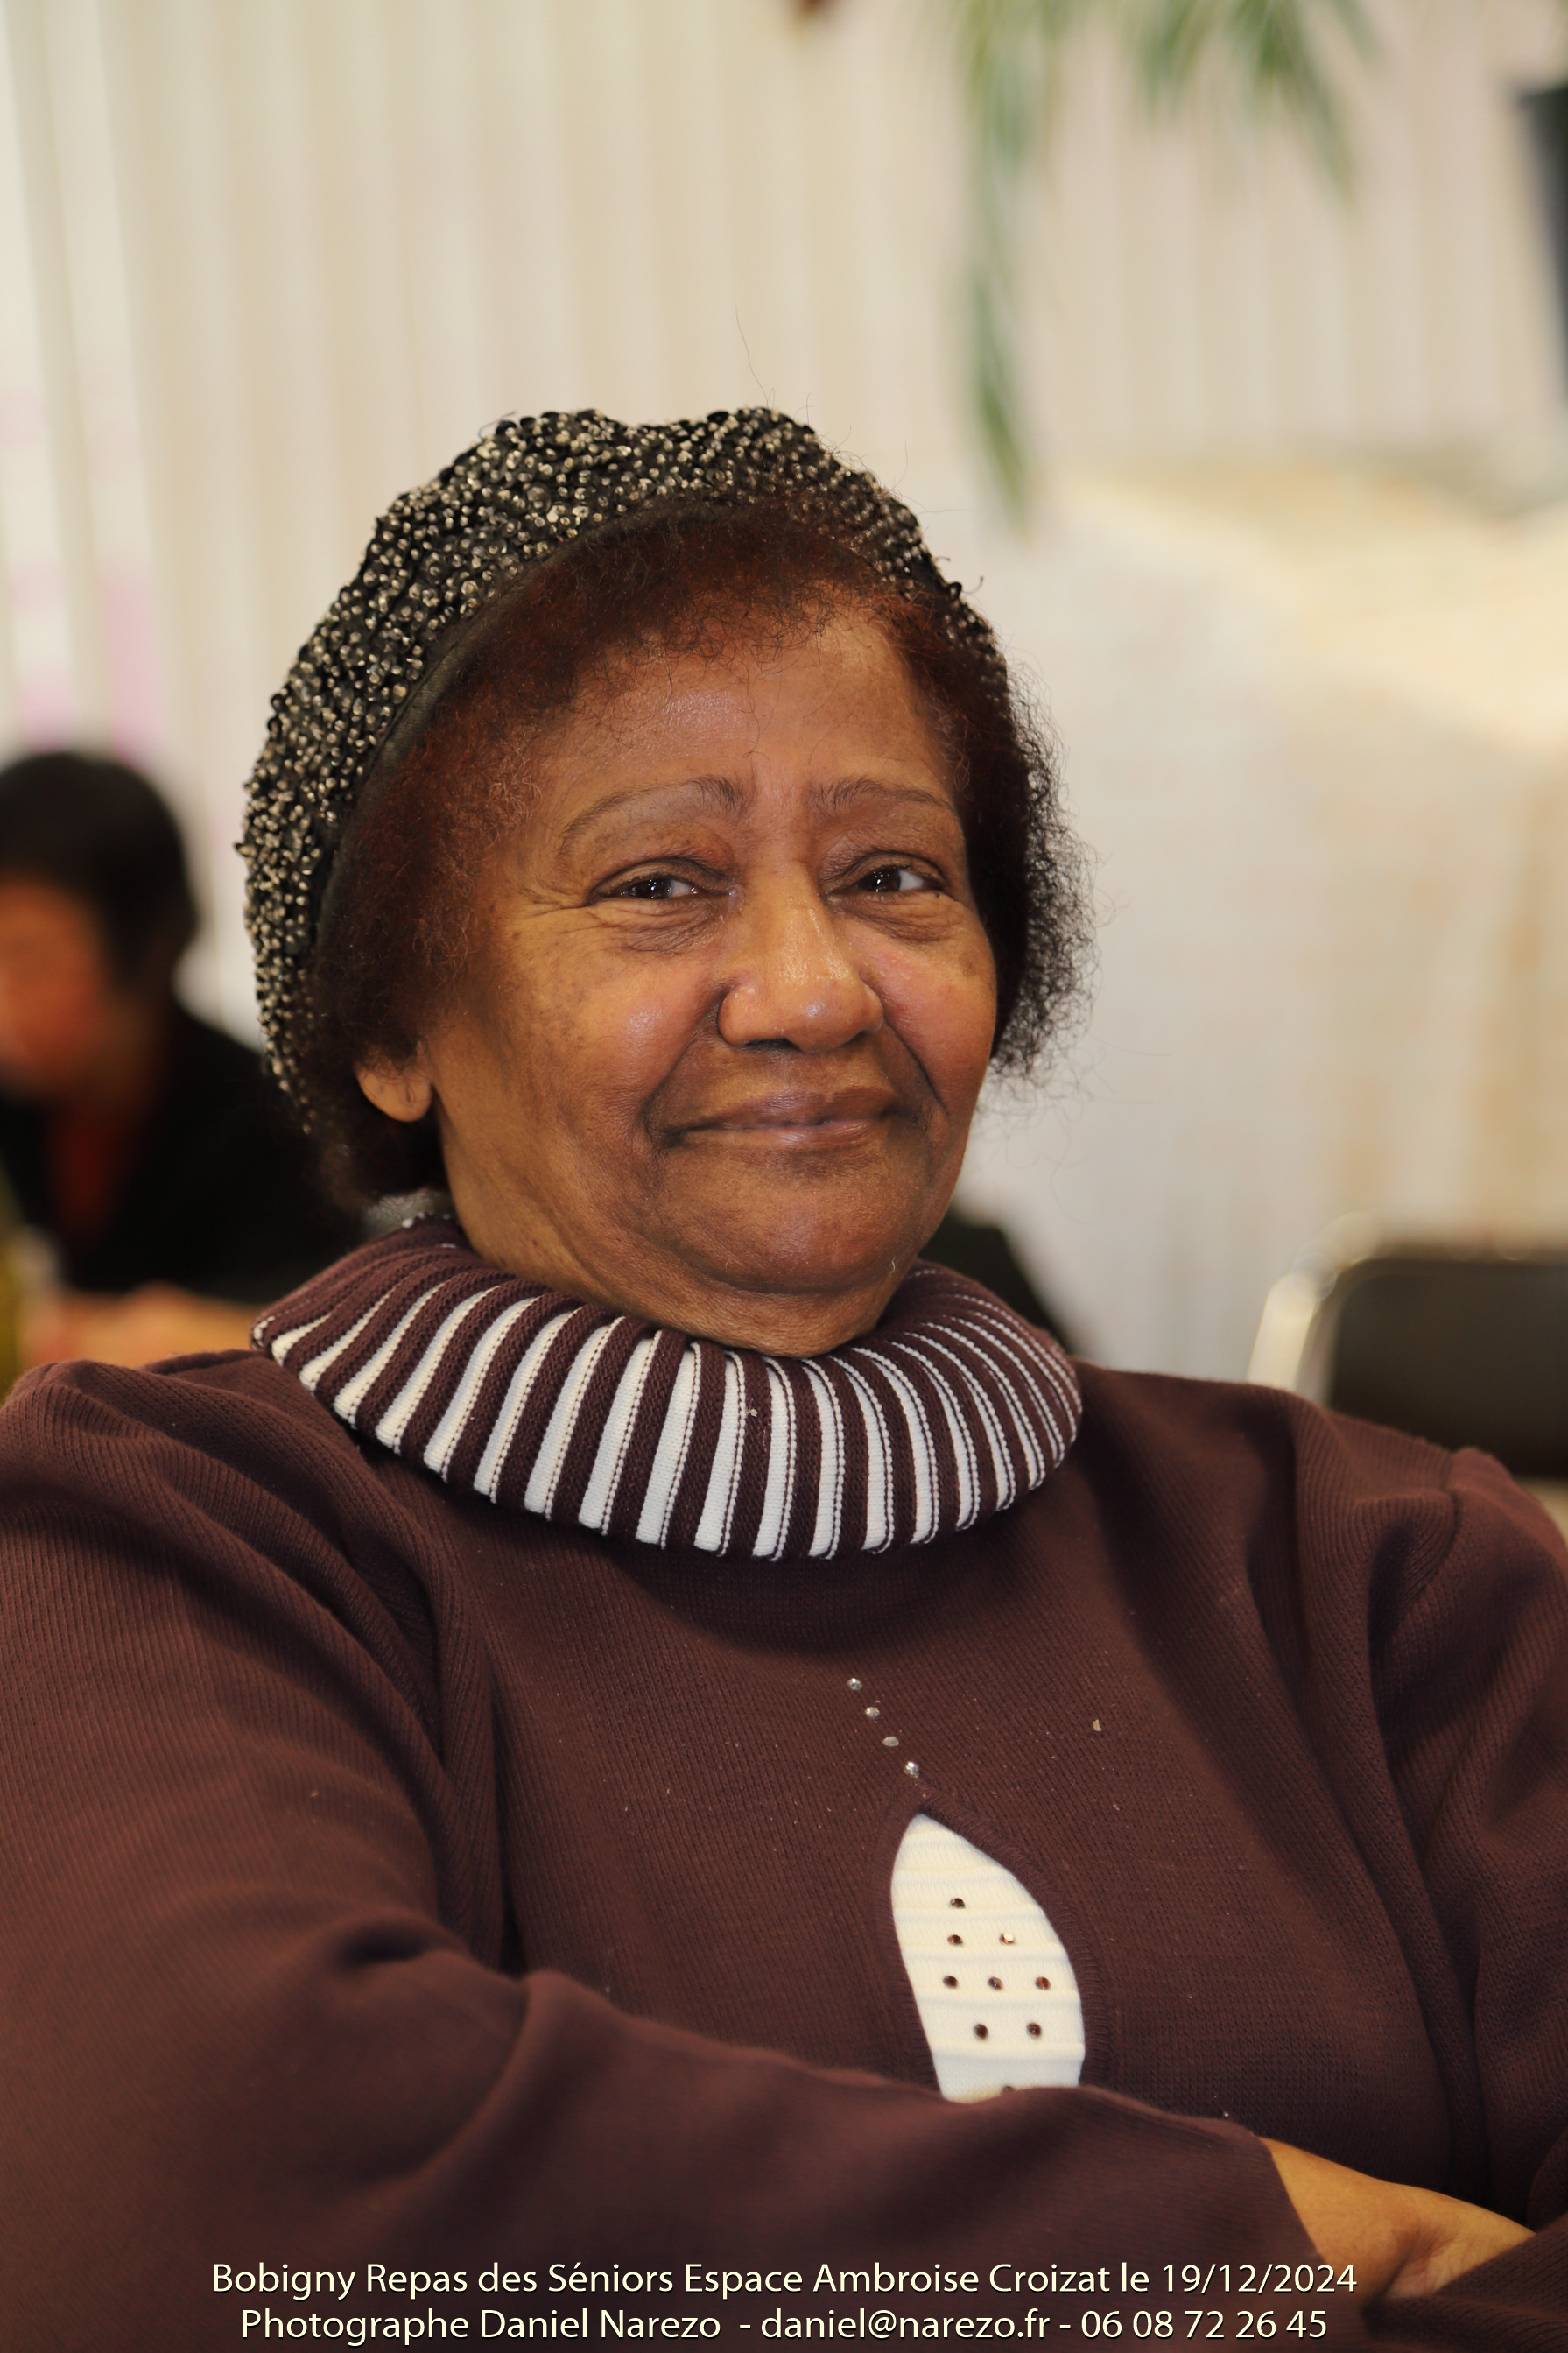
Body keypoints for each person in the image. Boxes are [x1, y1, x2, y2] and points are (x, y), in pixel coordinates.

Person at [0, 412, 1563, 2352]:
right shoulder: (163, 1543)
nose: (815, 988)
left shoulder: (1375, 1560)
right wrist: (1237, 2246)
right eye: (658, 883)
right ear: (392, 1019)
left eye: (894, 872)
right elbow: (205, 2198)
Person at [0, 749, 357, 1364]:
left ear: (146, 947)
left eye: (31, 959)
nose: (6, 999)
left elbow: (317, 1343)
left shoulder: (273, 1125)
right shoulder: (16, 1111)